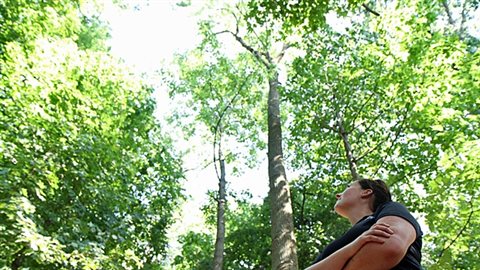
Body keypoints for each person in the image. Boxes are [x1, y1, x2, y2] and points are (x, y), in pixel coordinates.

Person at [306, 179, 423, 270]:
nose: (337, 194)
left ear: (366, 192)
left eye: (348, 187)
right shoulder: (342, 242)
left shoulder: (390, 208)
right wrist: (352, 247)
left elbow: (391, 247)